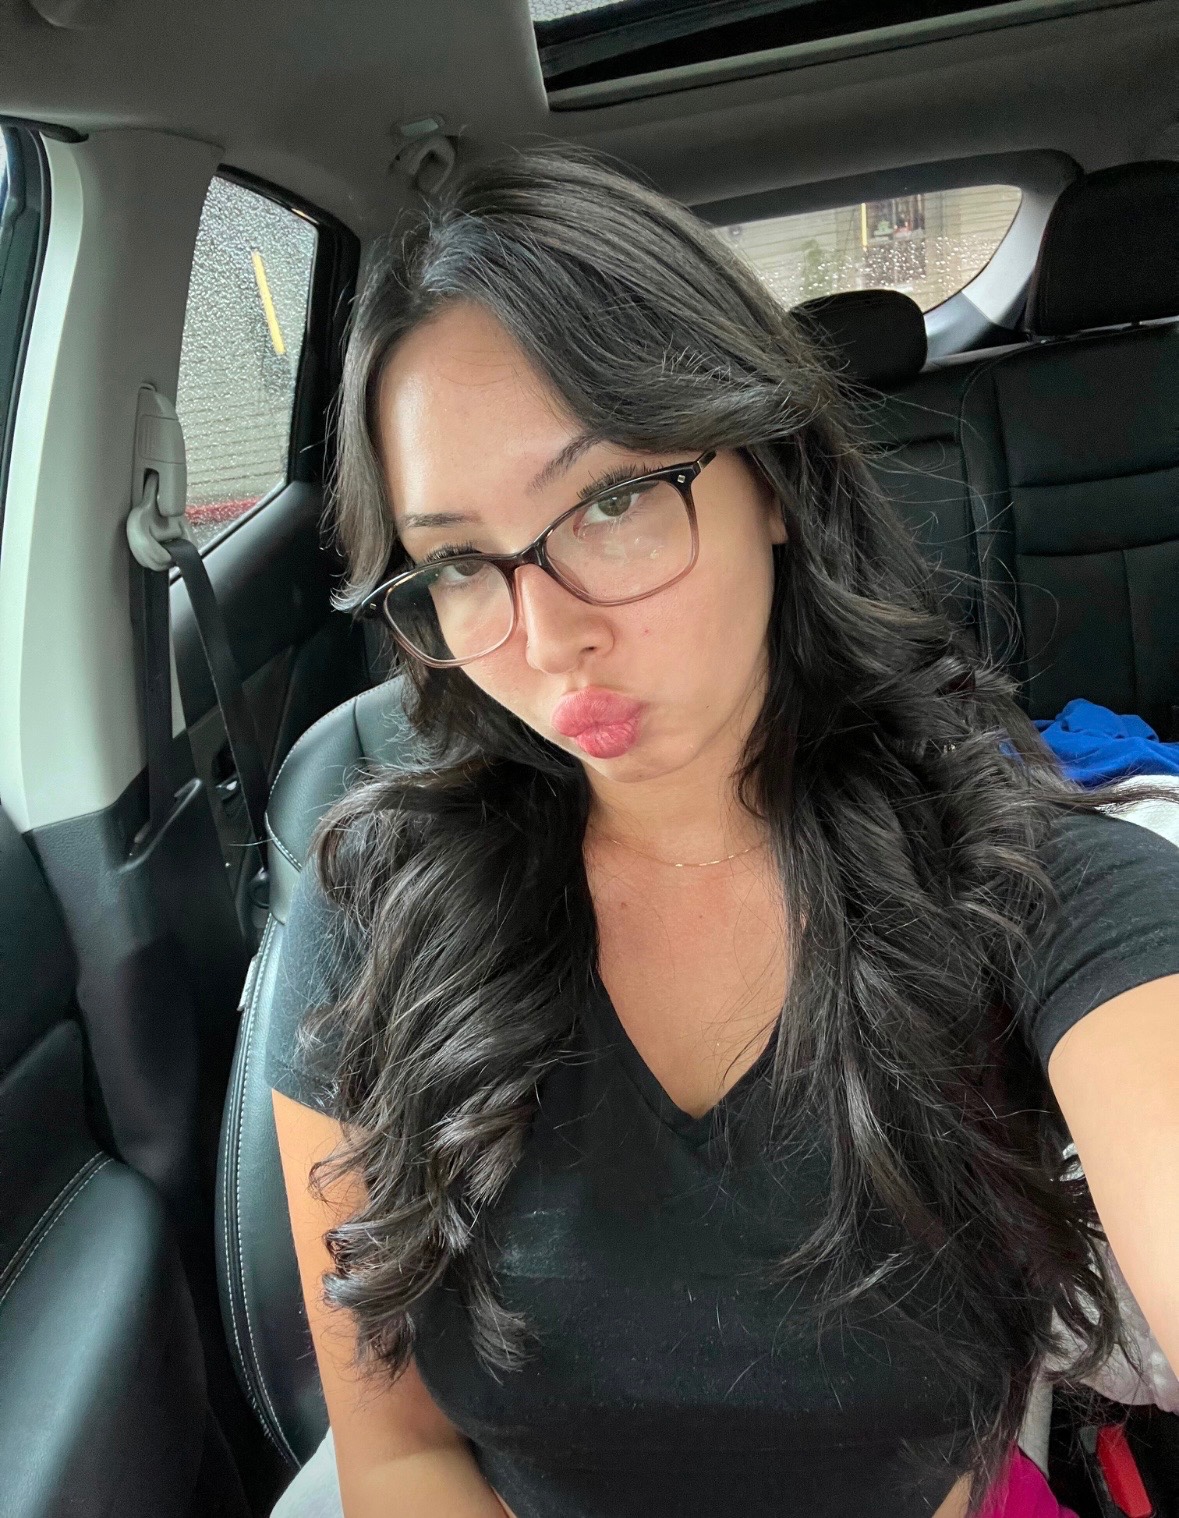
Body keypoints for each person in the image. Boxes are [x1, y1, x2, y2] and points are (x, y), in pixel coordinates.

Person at [266, 143, 1179, 1518]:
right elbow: (393, 1448)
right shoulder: (375, 912)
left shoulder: (1029, 881)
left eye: (611, 502)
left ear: (772, 478)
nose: (547, 638)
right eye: (456, 561)